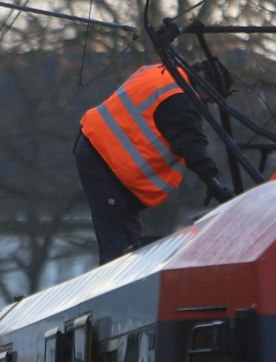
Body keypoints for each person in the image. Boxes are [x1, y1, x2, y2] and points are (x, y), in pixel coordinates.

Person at [76, 60, 232, 265]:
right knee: (117, 248)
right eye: (210, 98)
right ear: (202, 77)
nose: (208, 104)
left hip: (103, 155)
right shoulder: (181, 99)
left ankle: (122, 290)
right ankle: (116, 293)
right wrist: (214, 182)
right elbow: (190, 143)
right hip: (106, 161)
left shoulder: (160, 72)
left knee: (126, 245)